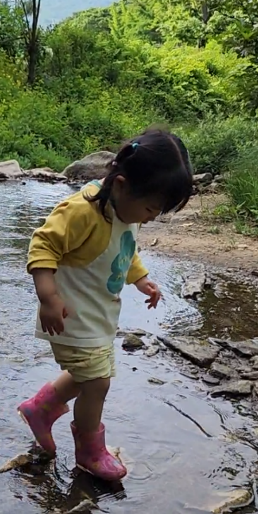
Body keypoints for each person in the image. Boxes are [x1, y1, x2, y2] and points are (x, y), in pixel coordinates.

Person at [18, 129, 193, 481]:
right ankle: (89, 450)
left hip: (97, 315)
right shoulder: (81, 212)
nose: (150, 219)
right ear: (122, 184)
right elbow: (42, 246)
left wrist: (141, 279)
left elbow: (125, 251)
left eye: (157, 213)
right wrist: (48, 298)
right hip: (69, 315)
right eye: (150, 209)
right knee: (97, 382)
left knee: (88, 375)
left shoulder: (126, 211)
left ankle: (40, 408)